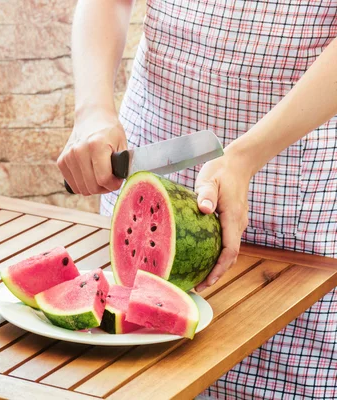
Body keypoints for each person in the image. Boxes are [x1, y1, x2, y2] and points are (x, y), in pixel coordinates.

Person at [58, 0, 336, 398]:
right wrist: (92, 110)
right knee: (128, 381)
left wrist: (244, 158)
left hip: (289, 184)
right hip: (154, 153)